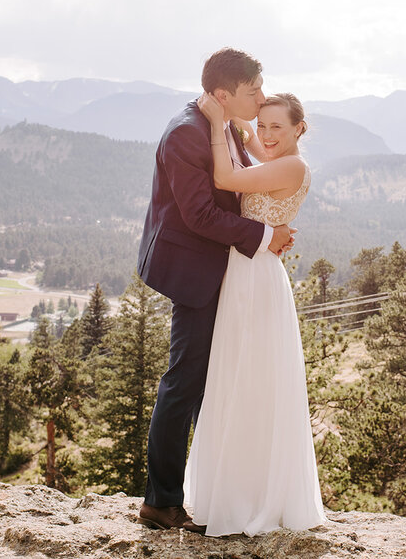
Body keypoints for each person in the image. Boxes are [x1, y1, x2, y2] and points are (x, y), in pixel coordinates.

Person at [136, 48, 294, 533]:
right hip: (195, 271)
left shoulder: (222, 122)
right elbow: (199, 215)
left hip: (225, 269)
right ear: (223, 95)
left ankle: (219, 492)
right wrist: (267, 238)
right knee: (184, 382)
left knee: (216, 378)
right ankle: (161, 501)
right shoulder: (187, 132)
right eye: (253, 92)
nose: (262, 99)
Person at [185, 90, 326, 536]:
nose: (267, 135)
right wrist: (247, 133)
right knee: (240, 378)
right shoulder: (276, 158)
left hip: (255, 280)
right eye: (263, 125)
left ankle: (248, 499)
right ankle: (239, 491)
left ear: (299, 129)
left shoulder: (294, 165)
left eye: (277, 128)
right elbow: (255, 162)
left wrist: (214, 123)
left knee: (252, 381)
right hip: (247, 273)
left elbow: (227, 179)